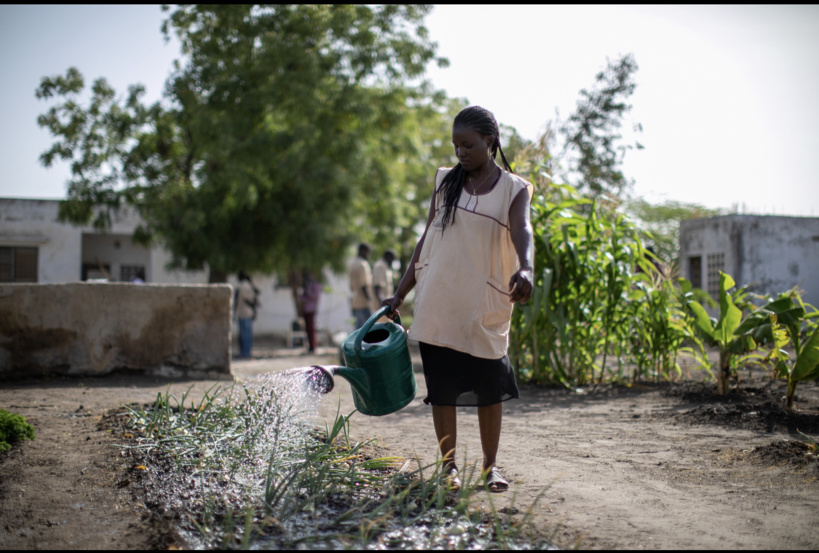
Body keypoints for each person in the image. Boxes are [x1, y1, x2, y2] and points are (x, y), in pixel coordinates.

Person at [382, 106, 534, 493]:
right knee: (443, 389)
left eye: (468, 145)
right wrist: (400, 293)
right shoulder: (446, 181)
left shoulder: (514, 189)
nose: (460, 153)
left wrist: (527, 268)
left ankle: (490, 467)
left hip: (483, 303)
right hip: (439, 298)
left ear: (490, 142)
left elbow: (523, 229)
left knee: (490, 386)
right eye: (456, 146)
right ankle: (448, 468)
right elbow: (426, 239)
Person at [347, 243, 374, 330]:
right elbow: (364, 285)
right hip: (364, 302)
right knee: (367, 329)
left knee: (358, 330)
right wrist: (370, 301)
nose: (368, 255)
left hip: (355, 302)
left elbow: (351, 286)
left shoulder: (352, 263)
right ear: (363, 251)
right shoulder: (363, 264)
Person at [234, 270, 260, 359]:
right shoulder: (250, 285)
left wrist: (234, 313)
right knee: (248, 334)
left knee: (244, 335)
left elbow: (243, 300)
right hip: (249, 313)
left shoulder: (242, 286)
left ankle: (244, 353)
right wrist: (255, 310)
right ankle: (247, 352)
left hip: (243, 312)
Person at [299, 272, 323, 353]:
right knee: (307, 329)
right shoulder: (307, 286)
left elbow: (314, 296)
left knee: (311, 328)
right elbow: (303, 298)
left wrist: (308, 288)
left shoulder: (316, 285)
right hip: (306, 309)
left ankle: (313, 346)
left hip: (311, 309)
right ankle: (309, 345)